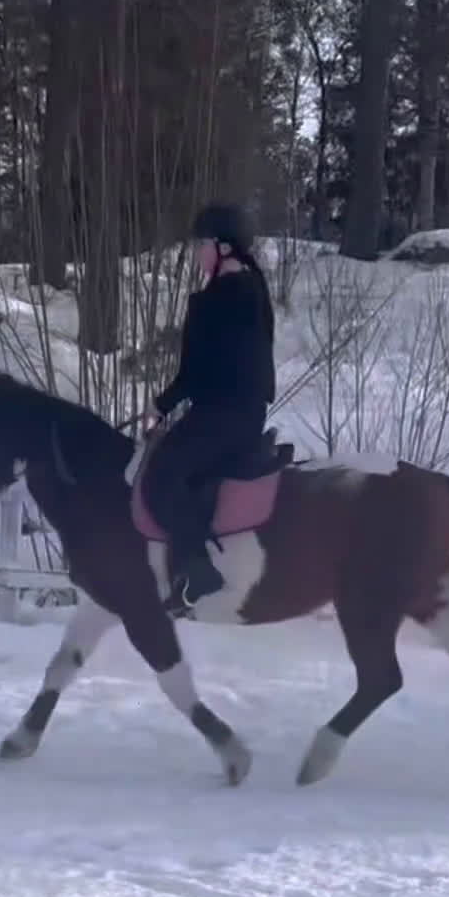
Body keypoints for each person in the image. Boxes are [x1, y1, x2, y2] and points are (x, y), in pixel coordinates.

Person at [143, 201, 276, 611]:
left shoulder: (227, 294)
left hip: (225, 414)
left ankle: (197, 573)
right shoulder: (249, 286)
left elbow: (199, 368)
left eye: (200, 244)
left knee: (163, 473)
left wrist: (160, 404)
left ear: (221, 247)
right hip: (236, 410)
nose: (196, 253)